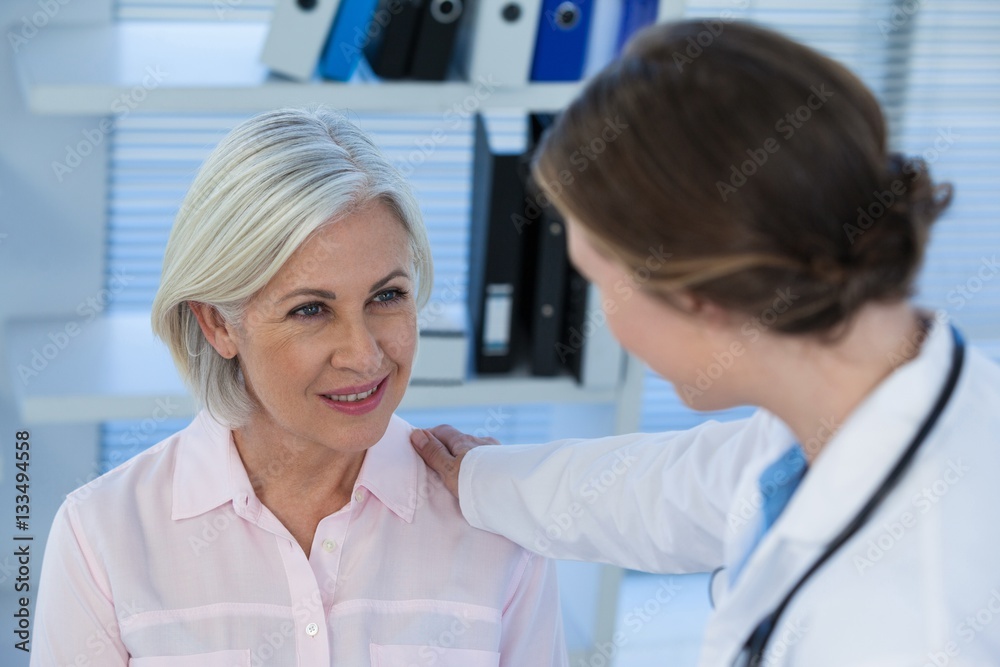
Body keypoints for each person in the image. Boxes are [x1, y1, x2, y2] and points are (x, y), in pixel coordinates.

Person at [409, 19, 1000, 667]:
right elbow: (681, 489)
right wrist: (479, 480)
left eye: (598, 282)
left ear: (695, 294)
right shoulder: (855, 400)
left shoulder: (902, 616)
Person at [31, 108, 567, 667]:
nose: (364, 354)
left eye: (386, 297)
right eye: (311, 309)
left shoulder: (497, 528)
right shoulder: (102, 537)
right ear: (218, 325)